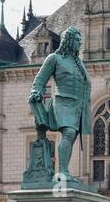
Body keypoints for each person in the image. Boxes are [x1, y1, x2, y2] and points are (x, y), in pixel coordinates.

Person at [28, 26, 91, 183]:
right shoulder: (54, 58)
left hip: (79, 105)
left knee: (71, 138)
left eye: (80, 40)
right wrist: (36, 92)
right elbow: (40, 79)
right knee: (68, 133)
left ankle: (65, 171)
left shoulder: (79, 63)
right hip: (63, 101)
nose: (79, 43)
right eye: (77, 40)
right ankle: (62, 172)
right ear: (68, 41)